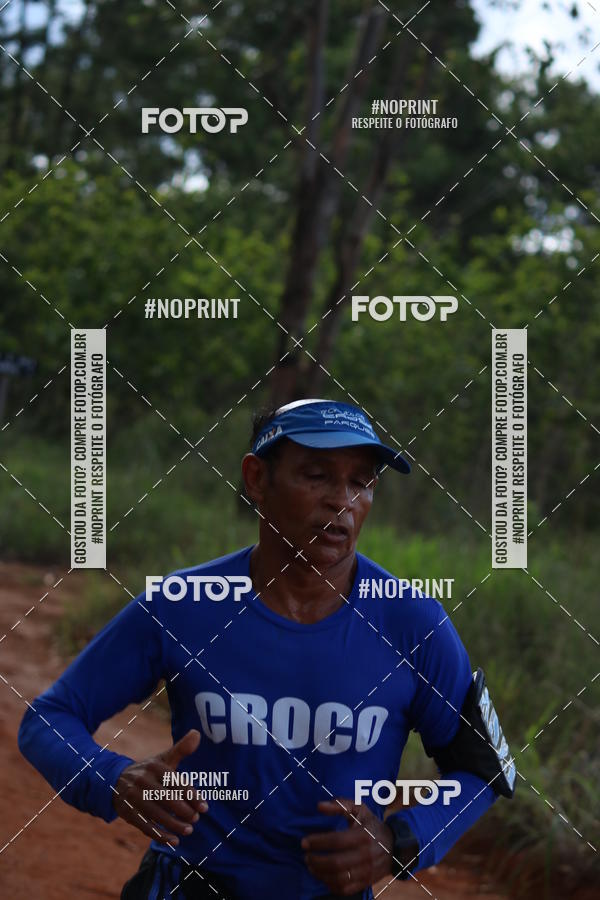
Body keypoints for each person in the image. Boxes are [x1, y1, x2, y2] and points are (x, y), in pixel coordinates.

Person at [18, 398, 515, 900]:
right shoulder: (184, 606)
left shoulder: (412, 624)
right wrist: (114, 780)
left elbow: (484, 769)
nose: (341, 501)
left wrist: (397, 841)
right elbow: (49, 718)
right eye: (317, 476)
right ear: (256, 479)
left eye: (360, 482)